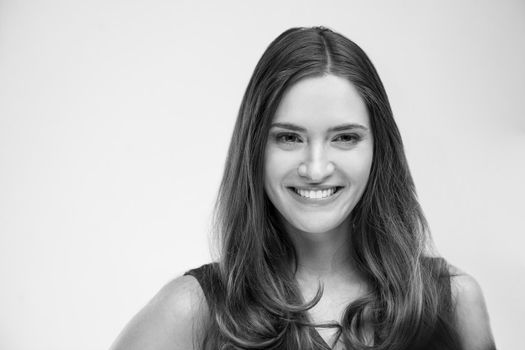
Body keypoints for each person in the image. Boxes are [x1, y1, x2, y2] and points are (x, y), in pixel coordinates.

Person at [110, 27, 495, 350]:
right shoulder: (191, 312)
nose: (315, 168)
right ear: (255, 148)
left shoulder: (455, 303)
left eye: (344, 137)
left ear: (380, 150)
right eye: (289, 138)